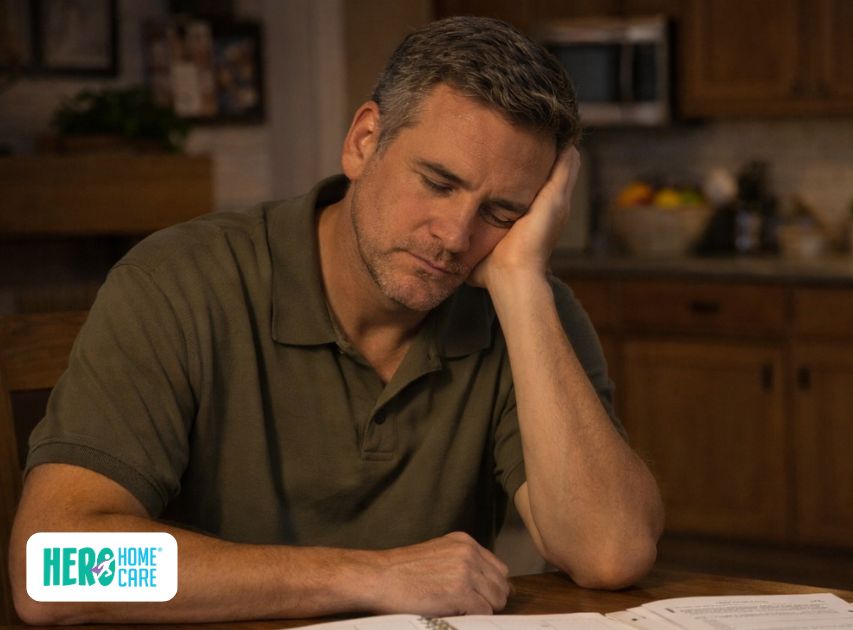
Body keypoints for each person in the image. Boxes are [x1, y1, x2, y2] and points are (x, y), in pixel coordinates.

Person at [10, 16, 663, 624]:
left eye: (501, 213)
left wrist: (521, 287)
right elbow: (54, 569)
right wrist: (363, 576)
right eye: (437, 182)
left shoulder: (527, 310)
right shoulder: (178, 282)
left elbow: (610, 554)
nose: (455, 236)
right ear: (363, 142)